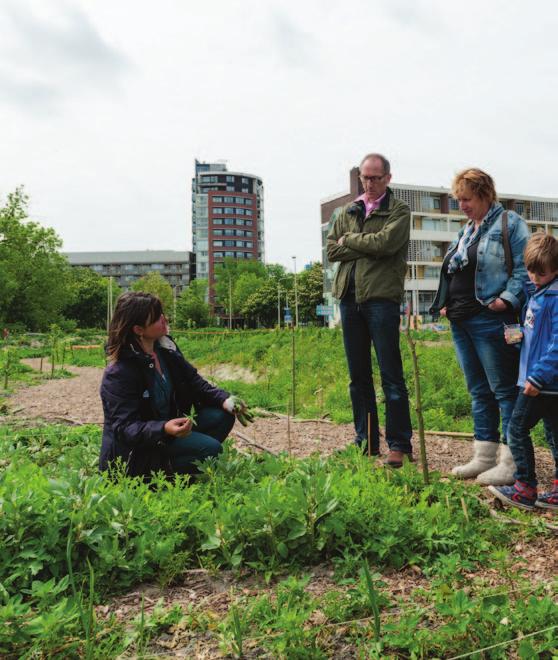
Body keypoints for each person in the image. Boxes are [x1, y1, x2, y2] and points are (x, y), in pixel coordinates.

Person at [430, 168, 529, 485]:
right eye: (458, 199)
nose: (462, 205)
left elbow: (525, 268)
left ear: (485, 194)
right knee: (478, 391)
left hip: (492, 319)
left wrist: (506, 300)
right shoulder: (466, 231)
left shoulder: (510, 224)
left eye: (467, 199)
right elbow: (453, 272)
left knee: (503, 390)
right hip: (461, 320)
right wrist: (446, 301)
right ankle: (484, 458)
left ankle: (511, 462)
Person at [100, 291, 246, 479]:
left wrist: (226, 400)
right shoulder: (119, 373)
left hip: (166, 434)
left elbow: (196, 384)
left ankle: (186, 464)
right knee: (212, 449)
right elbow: (125, 428)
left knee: (221, 415)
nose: (164, 319)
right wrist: (163, 428)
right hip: (137, 451)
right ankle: (160, 474)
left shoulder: (166, 352)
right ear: (138, 330)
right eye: (156, 317)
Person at [327, 153, 413, 467]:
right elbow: (332, 249)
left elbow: (386, 245)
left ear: (388, 178)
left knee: (391, 375)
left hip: (381, 299)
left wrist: (351, 240)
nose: (370, 182)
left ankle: (399, 444)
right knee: (358, 377)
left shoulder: (399, 210)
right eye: (365, 177)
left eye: (376, 177)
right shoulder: (347, 211)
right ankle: (366, 443)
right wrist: (361, 242)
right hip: (349, 299)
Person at [489, 233, 558, 510]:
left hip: (542, 382)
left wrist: (538, 376)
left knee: (516, 429)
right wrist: (520, 337)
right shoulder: (539, 294)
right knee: (554, 435)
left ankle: (524, 487)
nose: (533, 277)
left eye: (540, 273)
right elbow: (538, 334)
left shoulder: (553, 298)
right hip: (538, 379)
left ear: (555, 270)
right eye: (530, 270)